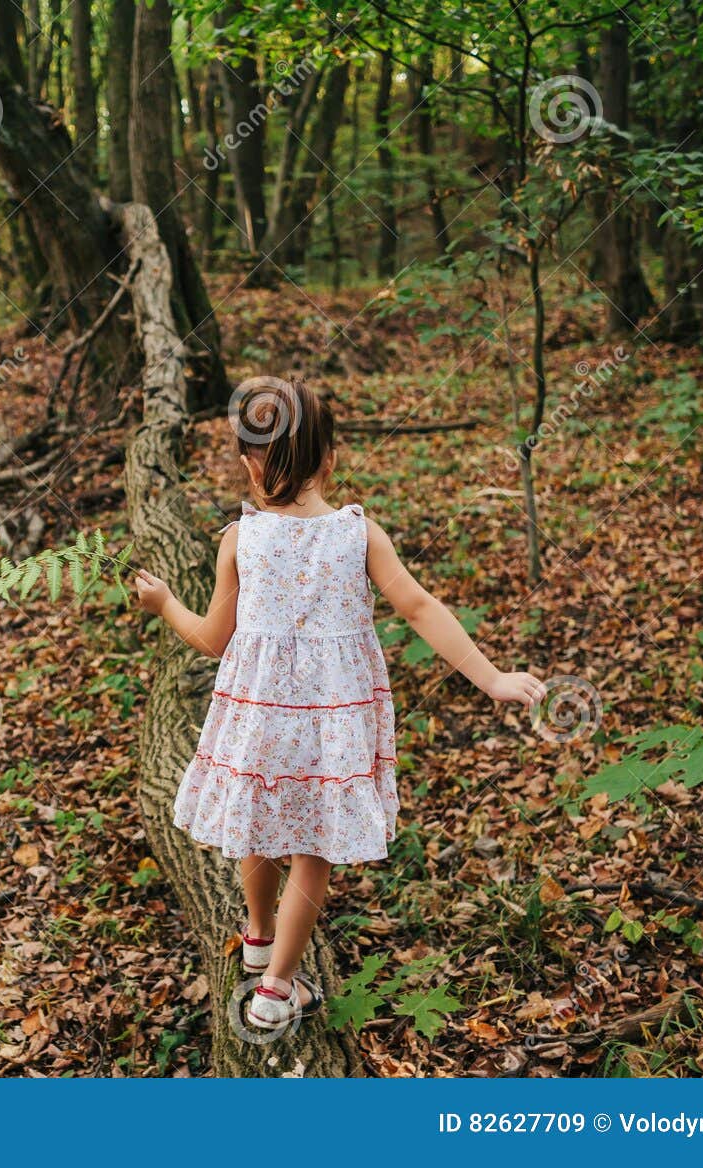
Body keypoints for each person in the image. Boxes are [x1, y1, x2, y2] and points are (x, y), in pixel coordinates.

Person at [133, 378, 545, 1030]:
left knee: (261, 832)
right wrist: (489, 676)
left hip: (262, 723)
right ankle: (275, 986)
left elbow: (213, 639)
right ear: (331, 459)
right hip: (328, 729)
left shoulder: (240, 540)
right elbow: (419, 607)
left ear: (249, 463)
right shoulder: (359, 535)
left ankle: (259, 934)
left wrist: (164, 605)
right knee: (312, 856)